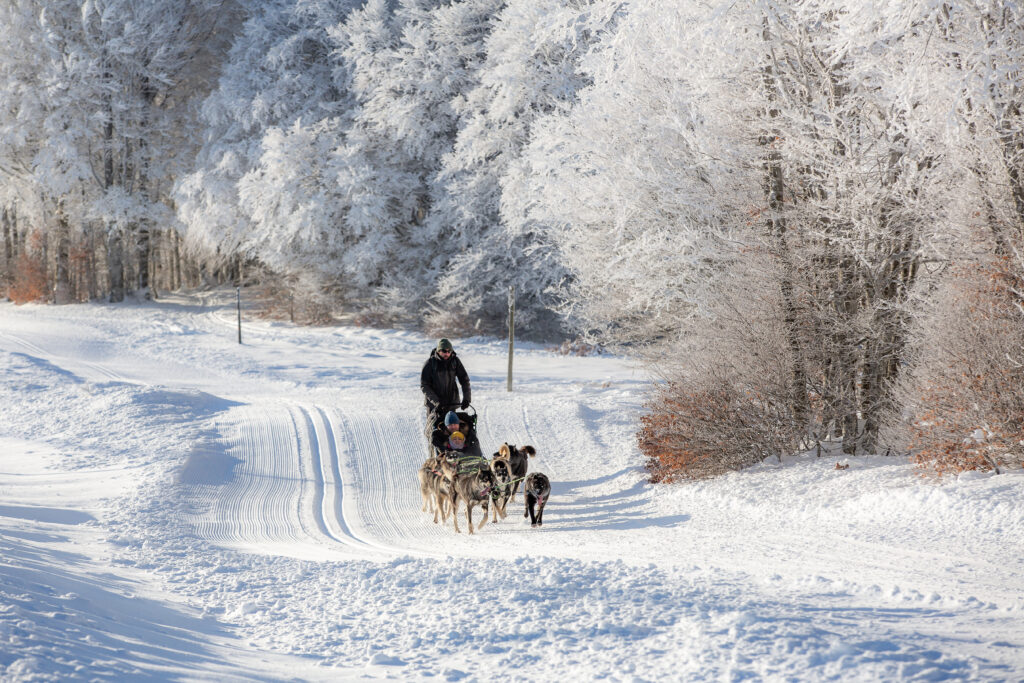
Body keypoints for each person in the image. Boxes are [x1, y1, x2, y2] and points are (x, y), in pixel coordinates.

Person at [421, 337, 471, 423]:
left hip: (451, 403)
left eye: (449, 351)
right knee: (434, 431)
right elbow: (425, 386)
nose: (447, 354)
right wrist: (436, 402)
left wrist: (466, 399)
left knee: (452, 429)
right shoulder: (430, 363)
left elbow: (464, 380)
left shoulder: (455, 361)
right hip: (434, 406)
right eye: (444, 351)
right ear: (438, 351)